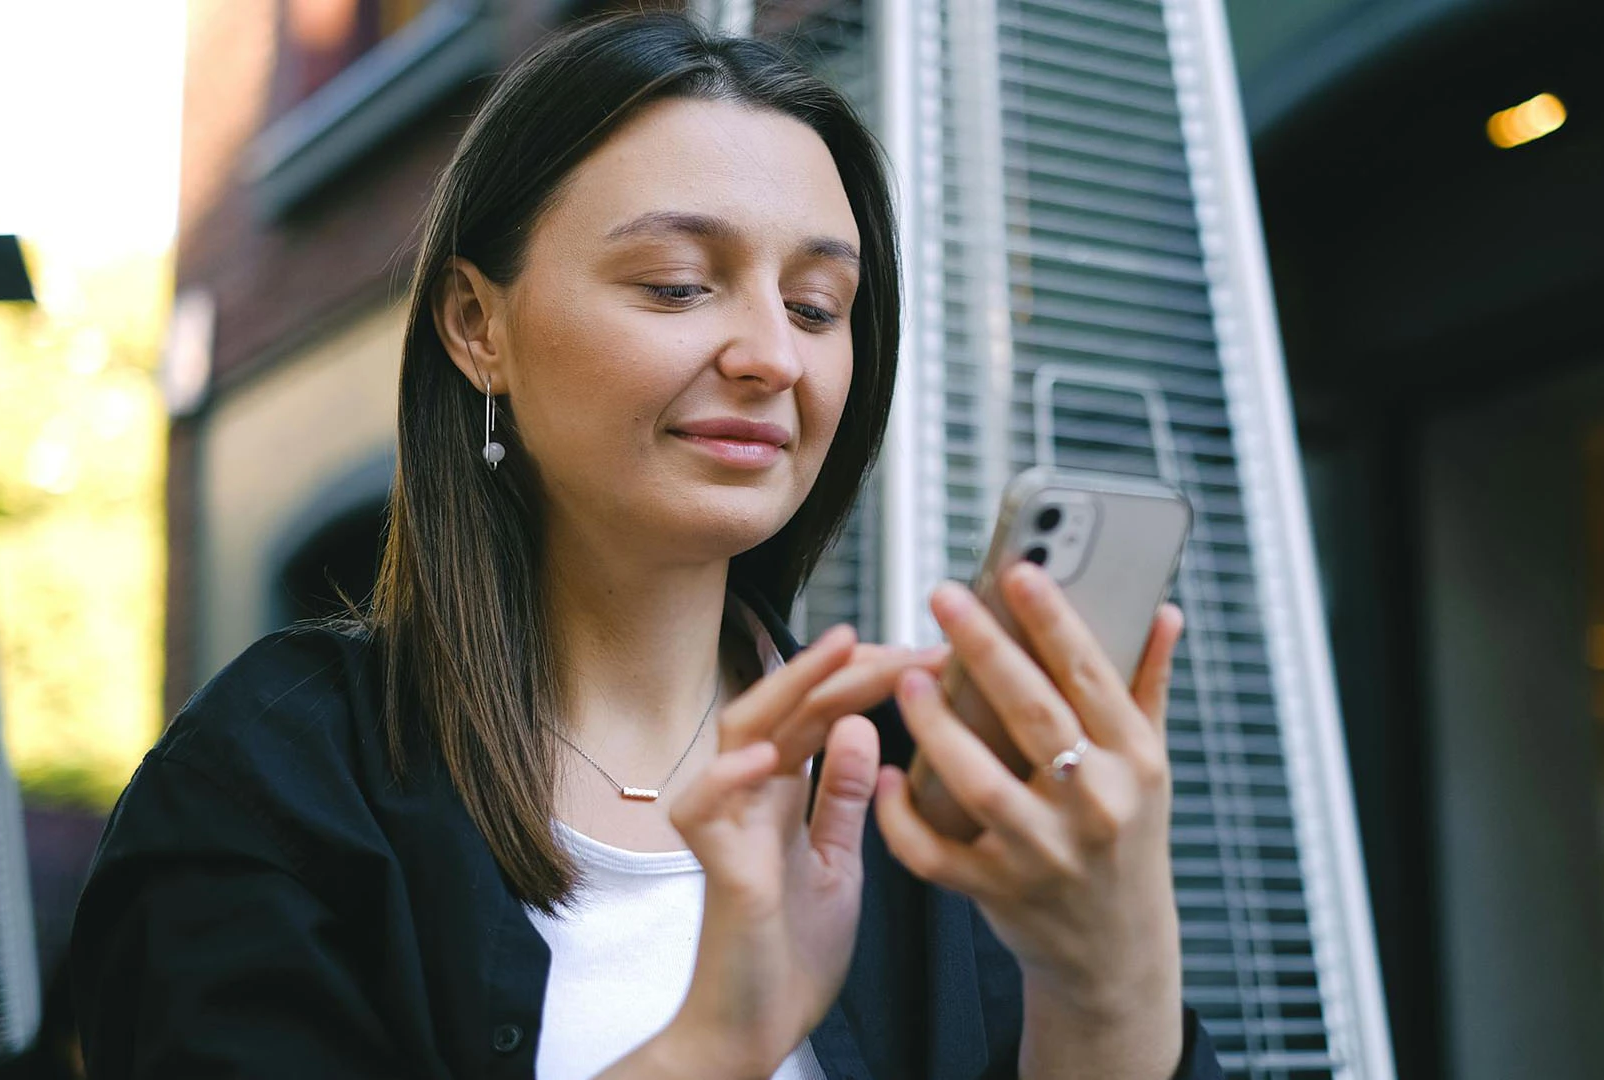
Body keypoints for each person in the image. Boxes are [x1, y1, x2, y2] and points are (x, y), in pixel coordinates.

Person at [68, 12, 1223, 1079]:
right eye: (677, 286)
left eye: (820, 306)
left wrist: (1109, 979)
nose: (773, 354)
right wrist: (709, 1045)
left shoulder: (923, 790)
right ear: (478, 326)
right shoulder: (273, 782)